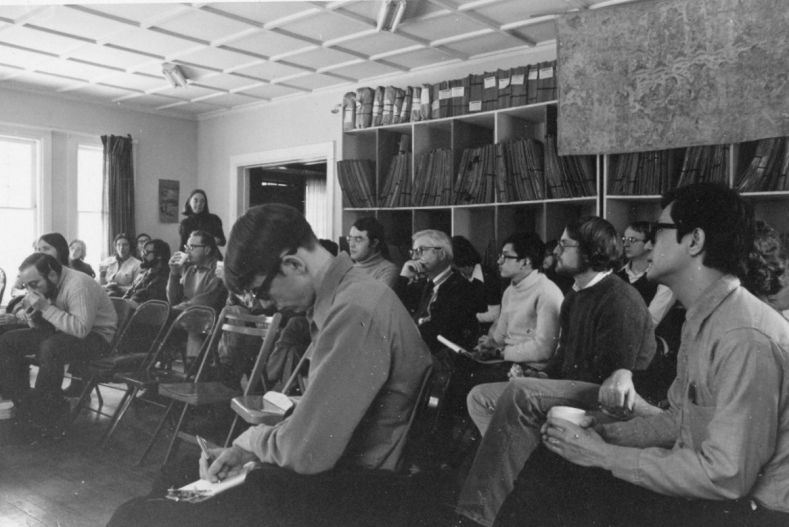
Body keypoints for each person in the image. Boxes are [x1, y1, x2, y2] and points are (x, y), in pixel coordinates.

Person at [108, 203, 432, 527]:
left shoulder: (355, 310)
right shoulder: (352, 296)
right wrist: (249, 451)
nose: (263, 305)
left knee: (137, 516)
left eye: (260, 291)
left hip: (353, 490)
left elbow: (307, 451)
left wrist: (249, 444)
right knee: (178, 474)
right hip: (340, 473)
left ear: (293, 264)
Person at [492, 183, 789, 527]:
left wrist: (603, 454)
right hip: (716, 490)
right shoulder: (706, 317)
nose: (649, 244)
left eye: (659, 231)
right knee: (557, 454)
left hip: (753, 512)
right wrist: (602, 435)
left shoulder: (743, 336)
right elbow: (678, 421)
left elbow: (725, 476)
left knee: (565, 480)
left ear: (695, 241)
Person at [456, 216, 656, 527]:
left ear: (589, 251)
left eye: (564, 245)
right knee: (479, 397)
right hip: (577, 387)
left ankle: (478, 514)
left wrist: (540, 386)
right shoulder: (575, 296)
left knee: (520, 392)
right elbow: (563, 358)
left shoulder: (619, 298)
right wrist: (543, 377)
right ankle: (517, 477)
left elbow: (616, 374)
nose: (556, 252)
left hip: (610, 396)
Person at [0, 253, 117, 408]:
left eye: (34, 284)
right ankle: (19, 400)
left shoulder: (78, 285)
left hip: (97, 337)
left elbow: (80, 329)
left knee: (51, 347)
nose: (30, 290)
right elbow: (45, 326)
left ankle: (45, 407)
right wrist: (32, 317)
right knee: (9, 340)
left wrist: (45, 308)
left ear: (52, 275)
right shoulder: (49, 284)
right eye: (26, 286)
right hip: (63, 332)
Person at [474, 232, 563, 375]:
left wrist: (500, 352)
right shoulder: (509, 291)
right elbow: (500, 338)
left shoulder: (546, 292)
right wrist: (489, 344)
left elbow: (544, 350)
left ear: (525, 262)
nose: (499, 261)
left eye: (506, 256)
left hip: (532, 369)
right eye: (500, 256)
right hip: (507, 361)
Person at [395, 229, 484, 357]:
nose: (414, 258)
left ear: (441, 254)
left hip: (444, 357)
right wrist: (404, 277)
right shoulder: (424, 284)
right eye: (413, 252)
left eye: (420, 251)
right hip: (418, 351)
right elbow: (393, 308)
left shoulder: (461, 287)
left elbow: (437, 331)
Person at [617, 220, 674, 326]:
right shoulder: (616, 276)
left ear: (650, 243)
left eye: (632, 240)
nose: (626, 244)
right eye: (624, 239)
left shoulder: (663, 279)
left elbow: (650, 322)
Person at [167, 230, 227, 312]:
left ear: (207, 250)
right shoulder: (190, 269)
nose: (187, 251)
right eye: (186, 247)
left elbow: (205, 303)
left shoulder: (220, 269)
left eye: (191, 247)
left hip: (203, 317)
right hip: (184, 315)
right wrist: (174, 273)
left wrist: (169, 311)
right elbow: (173, 301)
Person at [451, 235, 501, 331]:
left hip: (485, 331)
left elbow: (495, 315)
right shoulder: (455, 276)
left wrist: (467, 318)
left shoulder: (489, 277)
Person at [347, 217, 398, 288]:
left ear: (374, 243)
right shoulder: (348, 269)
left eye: (358, 239)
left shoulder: (387, 270)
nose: (351, 245)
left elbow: (376, 295)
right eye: (350, 239)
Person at [123, 239, 171, 307]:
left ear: (159, 256)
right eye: (142, 252)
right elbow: (127, 295)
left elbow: (150, 306)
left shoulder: (164, 278)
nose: (142, 255)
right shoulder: (143, 273)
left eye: (146, 252)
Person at [100, 233, 141, 297]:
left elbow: (136, 288)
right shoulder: (108, 261)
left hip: (124, 297)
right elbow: (102, 283)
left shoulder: (137, 264)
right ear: (115, 247)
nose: (121, 248)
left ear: (130, 247)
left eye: (125, 245)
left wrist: (119, 288)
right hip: (106, 294)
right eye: (118, 245)